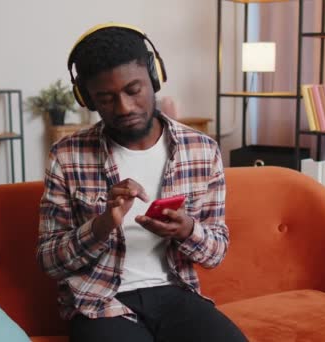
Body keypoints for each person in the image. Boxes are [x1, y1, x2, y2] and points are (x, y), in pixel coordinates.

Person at [37, 23, 248, 342]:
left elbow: (216, 252)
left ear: (154, 78)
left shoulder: (202, 150)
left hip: (175, 294)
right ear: (87, 99)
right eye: (106, 98)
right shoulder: (67, 156)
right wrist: (102, 225)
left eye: (133, 91)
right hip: (100, 301)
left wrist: (187, 229)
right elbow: (49, 260)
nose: (124, 108)